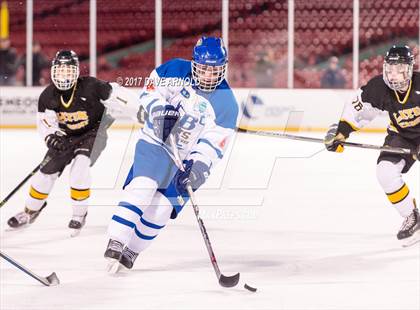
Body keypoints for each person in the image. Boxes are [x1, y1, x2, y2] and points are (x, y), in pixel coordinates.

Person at [104, 36, 239, 272]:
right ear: (194, 63)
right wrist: (160, 111)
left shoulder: (227, 103)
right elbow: (150, 92)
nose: (209, 75)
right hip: (156, 143)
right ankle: (117, 238)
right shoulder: (175, 69)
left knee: (162, 210)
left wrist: (196, 168)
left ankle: (132, 250)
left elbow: (213, 144)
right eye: (205, 69)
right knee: (143, 187)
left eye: (215, 70)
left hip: (186, 159)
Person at [7, 50, 143, 236]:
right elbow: (45, 123)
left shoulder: (92, 86)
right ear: (53, 71)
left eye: (67, 71)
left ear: (76, 72)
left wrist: (140, 112)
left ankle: (79, 214)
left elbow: (118, 95)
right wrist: (52, 136)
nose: (63, 76)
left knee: (80, 168)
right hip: (66, 136)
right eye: (60, 71)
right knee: (44, 175)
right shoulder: (47, 96)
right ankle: (30, 211)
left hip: (93, 133)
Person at [324, 45, 420, 245]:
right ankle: (412, 217)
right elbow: (359, 109)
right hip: (401, 135)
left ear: (409, 69)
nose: (393, 75)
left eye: (399, 69)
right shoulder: (379, 88)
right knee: (385, 172)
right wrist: (341, 132)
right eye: (390, 69)